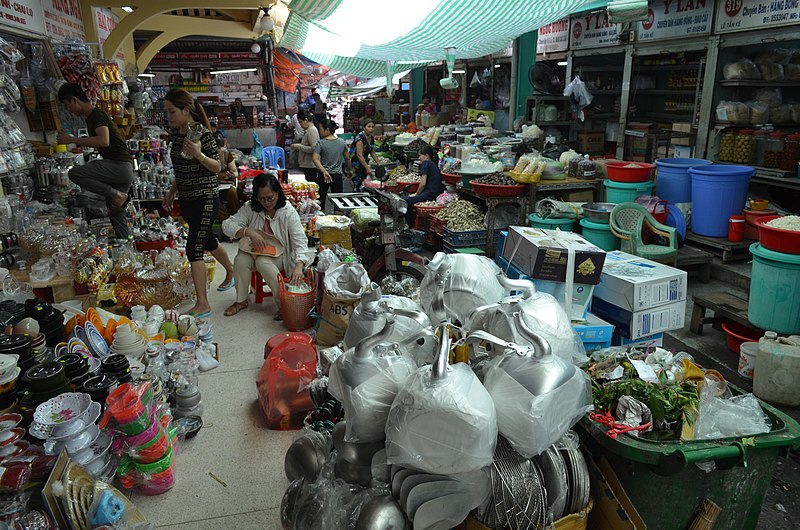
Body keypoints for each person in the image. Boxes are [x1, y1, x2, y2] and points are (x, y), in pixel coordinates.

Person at [161, 88, 235, 317]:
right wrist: (172, 191)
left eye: (172, 112)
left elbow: (218, 167)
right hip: (187, 198)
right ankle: (231, 271)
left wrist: (199, 155)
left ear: (185, 110)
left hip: (205, 198)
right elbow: (180, 169)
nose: (169, 117)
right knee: (208, 241)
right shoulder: (176, 135)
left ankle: (203, 303)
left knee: (194, 247)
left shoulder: (203, 135)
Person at [221, 173, 315, 320]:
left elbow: (300, 241)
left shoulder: (288, 212)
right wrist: (248, 231)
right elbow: (227, 225)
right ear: (256, 198)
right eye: (262, 199)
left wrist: (299, 265)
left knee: (262, 262)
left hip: (279, 254)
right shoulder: (250, 208)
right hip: (253, 249)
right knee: (240, 260)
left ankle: (284, 304)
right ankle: (241, 301)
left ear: (278, 193)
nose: (267, 202)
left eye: (270, 197)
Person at [57, 83, 133, 239]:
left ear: (74, 100)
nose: (69, 110)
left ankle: (116, 194)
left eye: (67, 105)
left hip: (118, 166)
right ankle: (126, 247)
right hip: (123, 168)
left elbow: (103, 141)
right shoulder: (91, 118)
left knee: (75, 173)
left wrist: (72, 139)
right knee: (115, 212)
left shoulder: (96, 115)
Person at [312, 119, 351, 211]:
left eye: (321, 129)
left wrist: (324, 171)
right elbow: (347, 159)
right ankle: (338, 221)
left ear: (328, 130)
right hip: (337, 176)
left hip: (323, 175)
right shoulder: (342, 142)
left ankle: (321, 221)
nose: (320, 131)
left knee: (320, 201)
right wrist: (350, 170)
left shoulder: (321, 143)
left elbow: (315, 159)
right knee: (338, 202)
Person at [404, 144, 443, 227]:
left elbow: (423, 184)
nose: (419, 158)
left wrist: (416, 194)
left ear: (427, 156)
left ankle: (411, 226)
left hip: (428, 196)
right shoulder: (433, 164)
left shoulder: (426, 163)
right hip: (433, 194)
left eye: (420, 155)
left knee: (404, 202)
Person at [290, 109, 320, 185]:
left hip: (310, 164)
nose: (300, 125)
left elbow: (314, 148)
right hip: (307, 164)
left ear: (306, 120)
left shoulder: (311, 131)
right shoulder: (308, 130)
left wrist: (299, 146)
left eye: (300, 122)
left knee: (311, 185)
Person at [349, 120, 381, 191]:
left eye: (372, 127)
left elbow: (372, 152)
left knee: (364, 182)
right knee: (357, 182)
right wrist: (367, 167)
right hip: (356, 163)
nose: (371, 129)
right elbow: (359, 154)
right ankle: (356, 197)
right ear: (364, 127)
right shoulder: (360, 137)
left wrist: (379, 163)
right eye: (369, 126)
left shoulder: (371, 137)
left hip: (364, 161)